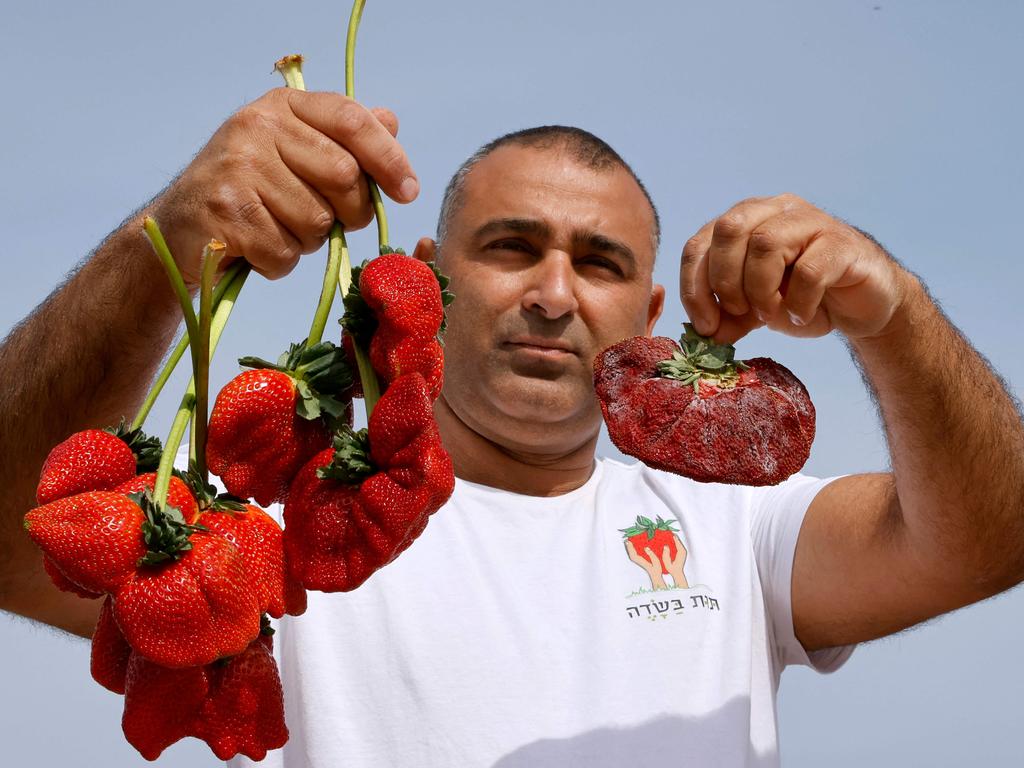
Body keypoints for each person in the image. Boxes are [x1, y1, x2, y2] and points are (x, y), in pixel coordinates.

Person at [1, 87, 1022, 767]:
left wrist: (898, 317)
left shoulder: (732, 525)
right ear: (427, 283)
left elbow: (989, 539)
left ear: (649, 319)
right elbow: (10, 535)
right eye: (511, 246)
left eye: (602, 262)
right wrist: (165, 245)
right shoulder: (271, 518)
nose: (553, 292)